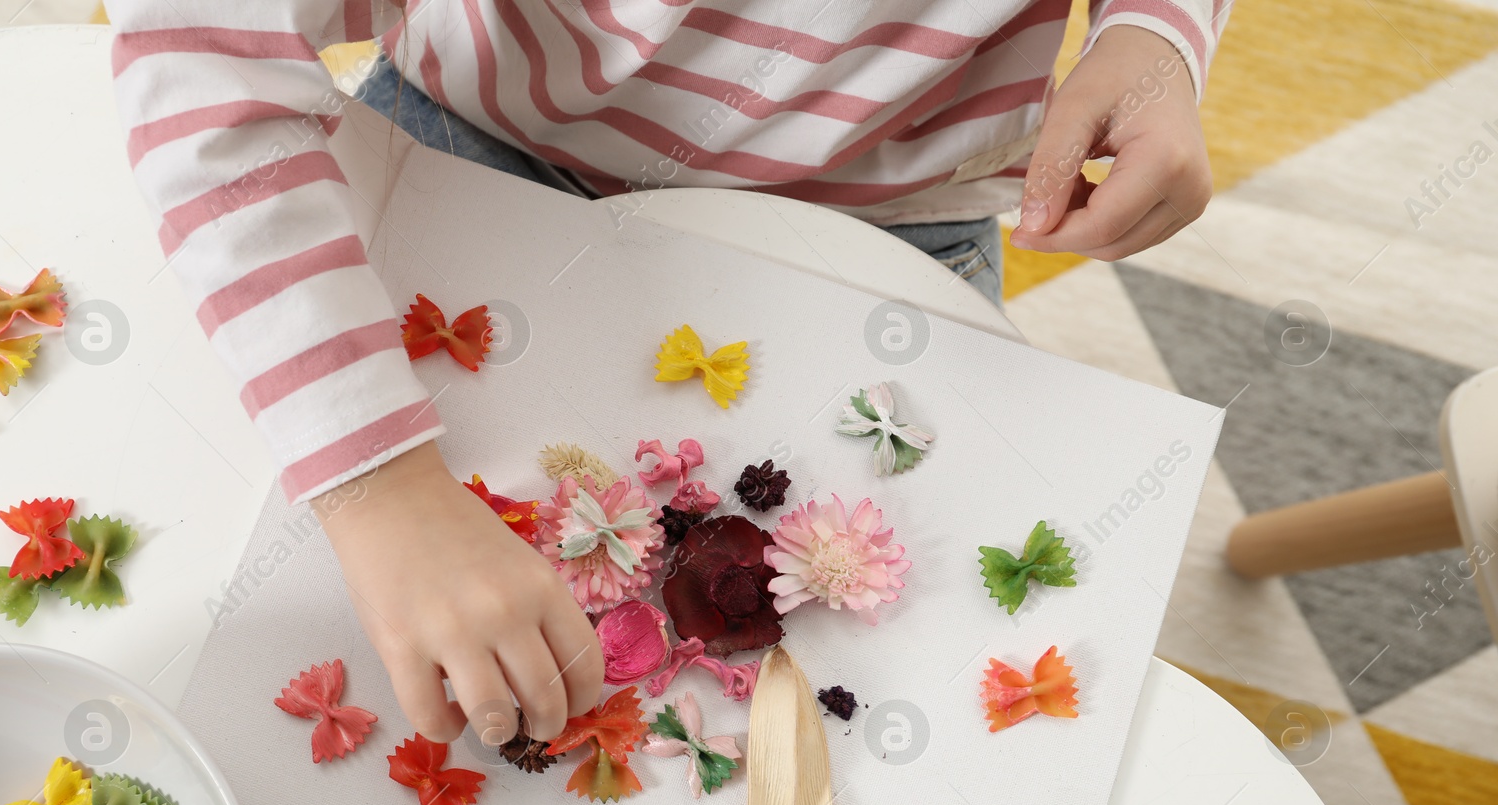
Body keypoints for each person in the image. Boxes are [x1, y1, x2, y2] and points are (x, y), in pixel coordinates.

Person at [108, 0, 1224, 748]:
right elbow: (199, 49)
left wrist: (1158, 33)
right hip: (486, 131)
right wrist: (376, 486)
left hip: (894, 211)